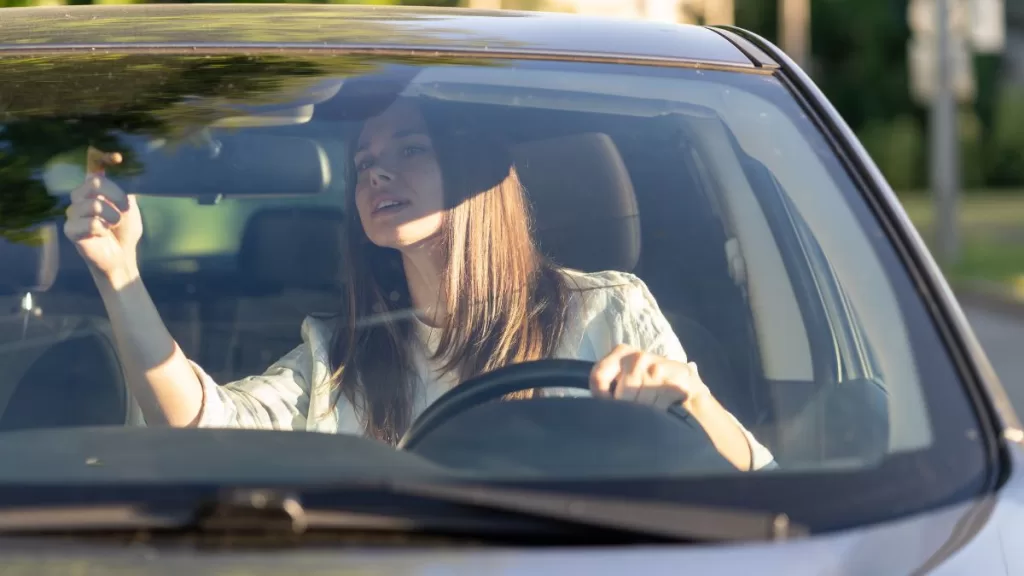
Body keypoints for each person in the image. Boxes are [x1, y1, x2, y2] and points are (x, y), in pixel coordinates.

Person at [64, 97, 775, 471]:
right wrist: (119, 273)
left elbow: (752, 475)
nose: (376, 173)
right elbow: (201, 426)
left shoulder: (604, 310)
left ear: (472, 171)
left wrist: (693, 402)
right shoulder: (338, 357)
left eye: (408, 149)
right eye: (365, 162)